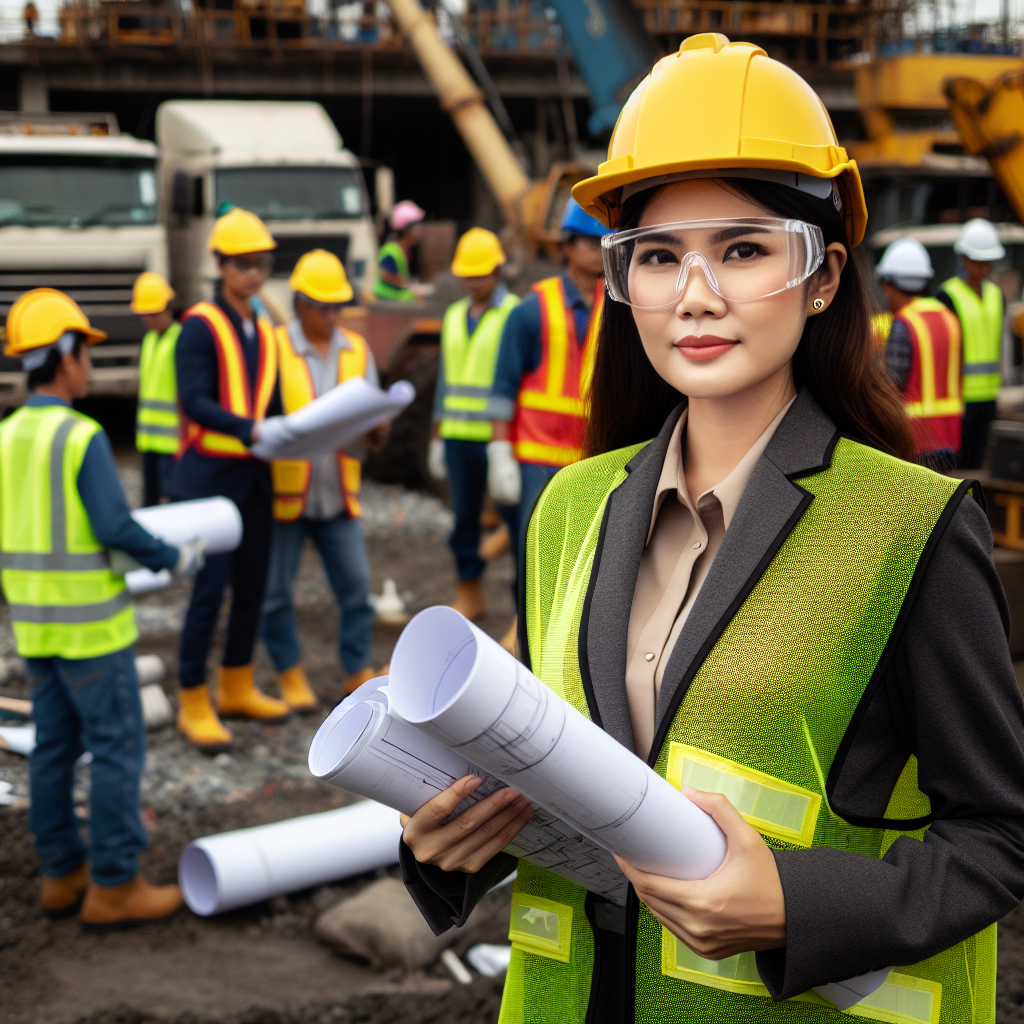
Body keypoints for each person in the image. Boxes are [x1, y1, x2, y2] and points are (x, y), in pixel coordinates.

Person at [399, 35, 1024, 1023]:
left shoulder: (912, 524)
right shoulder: (569, 506)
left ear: (820, 277)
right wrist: (441, 843)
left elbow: (999, 834)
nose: (694, 293)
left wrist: (792, 901)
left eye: (741, 249)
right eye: (657, 256)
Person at [1, 289, 200, 927]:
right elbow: (115, 526)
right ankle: (114, 883)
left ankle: (63, 875)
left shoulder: (7, 436)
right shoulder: (80, 437)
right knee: (116, 749)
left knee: (55, 749)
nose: (90, 361)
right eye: (85, 349)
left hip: (35, 627)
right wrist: (171, 556)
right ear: (64, 356)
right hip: (92, 627)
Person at [172, 207, 290, 753]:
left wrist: (294, 430)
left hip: (255, 480)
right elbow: (194, 401)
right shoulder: (200, 325)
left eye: (261, 263)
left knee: (251, 589)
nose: (253, 273)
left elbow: (273, 402)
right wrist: (250, 427)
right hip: (210, 480)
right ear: (220, 265)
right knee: (208, 592)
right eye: (243, 264)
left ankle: (237, 683)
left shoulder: (263, 329)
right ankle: (193, 694)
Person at [261, 249, 388, 701]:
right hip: (286, 496)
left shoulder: (357, 350)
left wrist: (378, 428)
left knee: (356, 590)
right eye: (324, 306)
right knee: (275, 594)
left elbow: (371, 413)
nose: (334, 315)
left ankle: (356, 668)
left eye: (339, 306)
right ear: (300, 303)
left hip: (338, 496)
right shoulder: (273, 348)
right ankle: (289, 671)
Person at [488, 198, 611, 551]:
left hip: (594, 459)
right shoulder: (530, 312)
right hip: (536, 461)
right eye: (590, 241)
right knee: (535, 556)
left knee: (584, 559)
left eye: (605, 242)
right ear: (566, 247)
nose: (599, 251)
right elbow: (504, 386)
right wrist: (499, 452)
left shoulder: (621, 311)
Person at [428, 228, 520, 620]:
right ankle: (471, 593)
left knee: (519, 524)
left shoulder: (515, 312)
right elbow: (445, 379)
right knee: (463, 522)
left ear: (497, 271)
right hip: (455, 437)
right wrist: (436, 433)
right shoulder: (452, 315)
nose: (472, 282)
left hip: (498, 439)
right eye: (467, 275)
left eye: (479, 274)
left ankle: (525, 609)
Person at [877, 237, 964, 465]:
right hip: (950, 438)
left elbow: (892, 383)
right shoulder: (948, 318)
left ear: (891, 284)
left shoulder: (906, 322)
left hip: (917, 440)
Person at [938, 218, 1006, 468]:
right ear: (964, 258)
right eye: (979, 261)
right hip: (960, 396)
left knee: (979, 466)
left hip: (988, 396)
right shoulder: (948, 295)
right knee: (959, 466)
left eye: (988, 262)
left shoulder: (996, 295)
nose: (984, 268)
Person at [132, 272, 180, 506]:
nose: (148, 320)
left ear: (167, 308)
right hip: (148, 440)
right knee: (148, 502)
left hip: (172, 444)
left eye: (153, 313)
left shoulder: (180, 340)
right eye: (144, 314)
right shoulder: (149, 341)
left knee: (171, 502)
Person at [373, 200, 425, 302]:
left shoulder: (405, 249)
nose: (419, 229)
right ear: (405, 229)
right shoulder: (391, 250)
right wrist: (410, 288)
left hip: (396, 301)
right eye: (416, 225)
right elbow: (386, 275)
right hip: (386, 301)